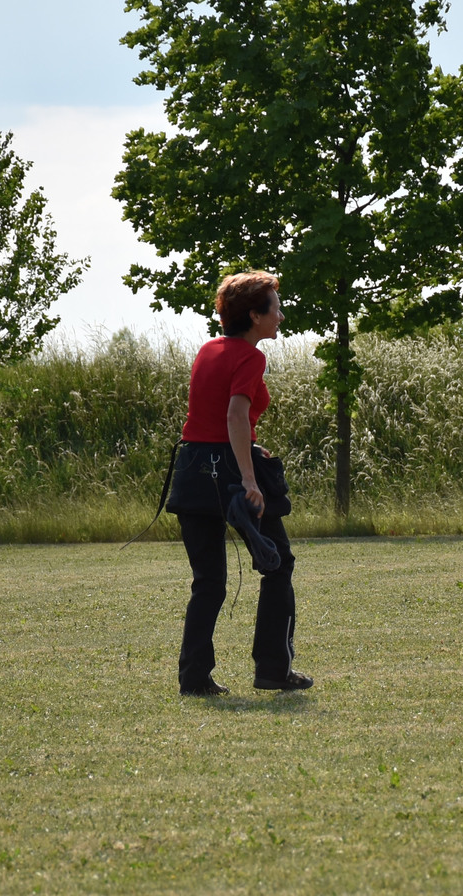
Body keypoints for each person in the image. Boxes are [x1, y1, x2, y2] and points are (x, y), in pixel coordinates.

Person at [167, 271, 313, 697]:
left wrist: (249, 444)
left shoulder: (208, 349)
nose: (281, 316)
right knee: (278, 563)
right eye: (276, 308)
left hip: (193, 470)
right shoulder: (251, 357)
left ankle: (194, 678)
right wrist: (249, 477)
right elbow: (233, 414)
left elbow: (215, 419)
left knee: (208, 581)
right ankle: (273, 669)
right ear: (254, 315)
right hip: (230, 475)